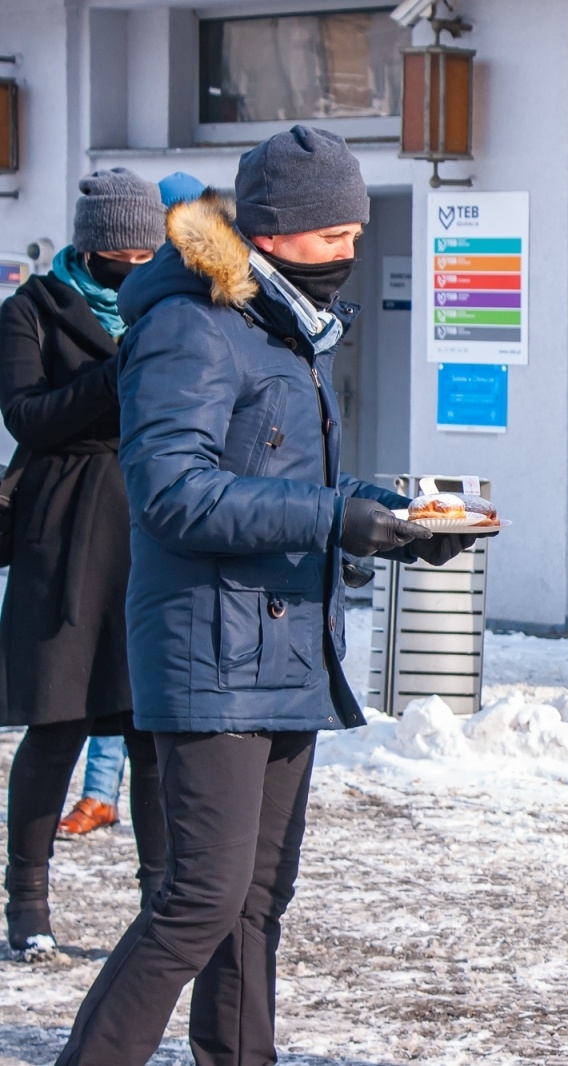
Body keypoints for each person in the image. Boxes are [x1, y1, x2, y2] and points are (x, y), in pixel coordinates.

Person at [53, 126, 475, 1066]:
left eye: (358, 232)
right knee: (198, 898)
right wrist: (332, 517)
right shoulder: (191, 323)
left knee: (253, 902)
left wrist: (383, 519)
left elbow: (275, 481)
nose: (353, 250)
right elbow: (173, 490)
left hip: (277, 645)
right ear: (277, 234)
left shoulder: (282, 323)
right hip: (211, 650)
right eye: (336, 235)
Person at [0, 169, 170, 960]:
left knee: (151, 728)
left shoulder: (172, 307)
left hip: (146, 528)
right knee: (55, 722)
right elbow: (28, 418)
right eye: (122, 251)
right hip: (63, 533)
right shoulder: (29, 311)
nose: (134, 265)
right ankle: (26, 903)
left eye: (149, 251)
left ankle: (163, 898)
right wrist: (115, 376)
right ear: (91, 243)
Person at [58, 173, 211, 843]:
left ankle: (111, 804)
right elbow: (30, 416)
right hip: (93, 516)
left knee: (136, 684)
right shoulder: (57, 307)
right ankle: (96, 793)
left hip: (155, 518)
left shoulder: (190, 308)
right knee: (101, 681)